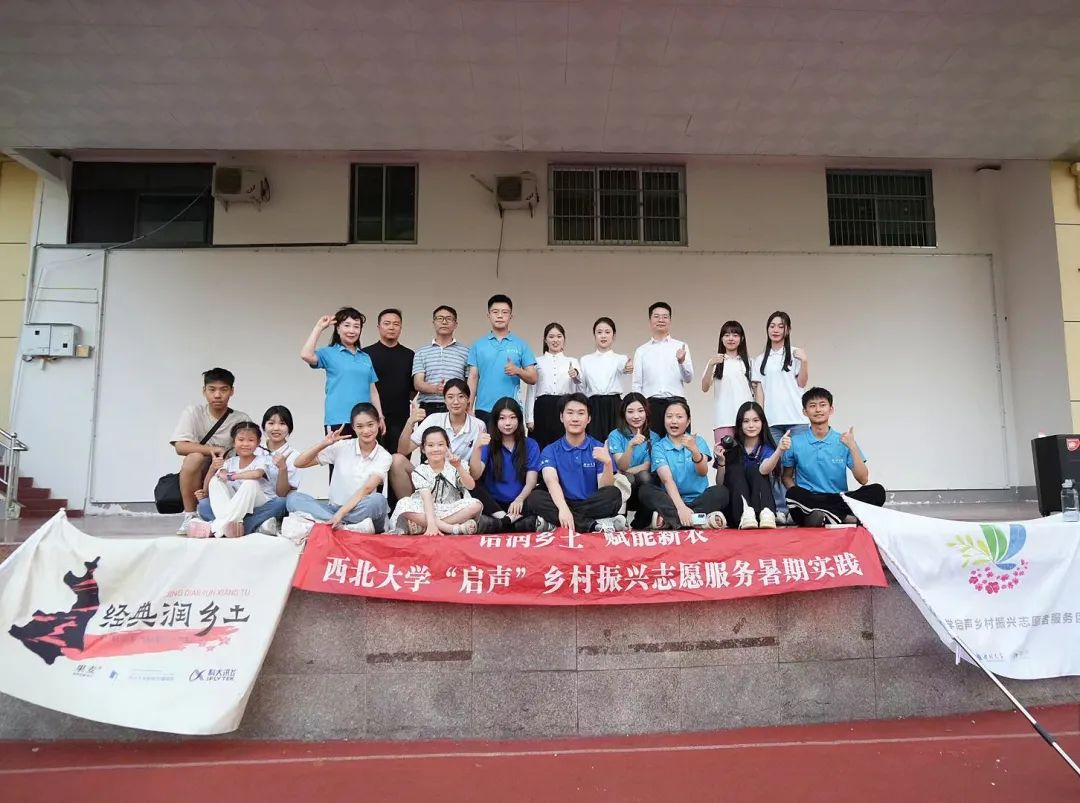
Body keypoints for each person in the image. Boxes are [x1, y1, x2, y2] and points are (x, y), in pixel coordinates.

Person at [781, 387, 886, 527]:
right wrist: (800, 495)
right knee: (793, 494)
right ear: (805, 412)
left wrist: (852, 446)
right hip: (809, 498)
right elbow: (786, 477)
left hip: (839, 498)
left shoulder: (844, 440)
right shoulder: (795, 442)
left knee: (877, 491)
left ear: (831, 409)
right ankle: (841, 517)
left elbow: (863, 479)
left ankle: (829, 515)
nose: (818, 410)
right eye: (812, 406)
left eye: (822, 405)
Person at [522, 393, 624, 533]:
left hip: (590, 503)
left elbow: (604, 488)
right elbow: (551, 481)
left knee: (614, 494)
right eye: (570, 413)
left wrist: (607, 463)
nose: (575, 418)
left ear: (588, 419)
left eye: (581, 413)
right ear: (561, 417)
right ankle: (592, 524)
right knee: (535, 498)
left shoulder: (598, 447)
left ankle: (558, 522)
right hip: (562, 501)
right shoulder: (550, 450)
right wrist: (563, 508)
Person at [285, 403, 391, 533]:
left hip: (361, 511)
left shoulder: (384, 456)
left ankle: (331, 524)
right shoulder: (342, 446)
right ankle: (345, 528)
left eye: (370, 425)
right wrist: (324, 443)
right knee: (294, 499)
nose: (366, 431)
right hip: (333, 509)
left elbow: (367, 489)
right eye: (360, 426)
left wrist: (340, 515)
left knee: (378, 501)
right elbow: (299, 463)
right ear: (353, 427)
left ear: (378, 423)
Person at [170, 367, 251, 535]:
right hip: (198, 475)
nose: (217, 395)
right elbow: (180, 446)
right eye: (212, 389)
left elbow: (251, 450)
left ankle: (220, 519)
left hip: (226, 474)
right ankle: (191, 515)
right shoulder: (194, 413)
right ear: (204, 391)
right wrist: (212, 449)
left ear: (232, 391)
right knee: (194, 457)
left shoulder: (241, 419)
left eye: (223, 390)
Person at [752, 311, 809, 525]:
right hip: (773, 422)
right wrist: (759, 419)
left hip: (797, 419)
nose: (776, 330)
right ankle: (781, 509)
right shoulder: (760, 360)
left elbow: (802, 383)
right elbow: (760, 393)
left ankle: (802, 507)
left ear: (788, 330)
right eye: (772, 326)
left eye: (780, 326)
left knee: (799, 466)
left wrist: (805, 361)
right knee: (777, 466)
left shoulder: (795, 354)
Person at [390, 379, 485, 500]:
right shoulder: (433, 419)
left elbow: (476, 474)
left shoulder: (479, 426)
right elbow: (403, 451)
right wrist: (410, 422)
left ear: (468, 400)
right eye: (450, 397)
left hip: (458, 481)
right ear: (444, 400)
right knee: (396, 460)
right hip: (429, 476)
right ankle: (409, 507)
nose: (456, 401)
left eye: (461, 396)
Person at [639, 400, 728, 529]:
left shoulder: (698, 441)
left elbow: (702, 472)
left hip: (698, 499)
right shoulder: (658, 447)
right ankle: (700, 520)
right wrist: (681, 507)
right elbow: (667, 480)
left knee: (722, 492)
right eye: (669, 416)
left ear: (688, 421)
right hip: (671, 500)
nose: (673, 421)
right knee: (645, 491)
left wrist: (694, 450)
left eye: (679, 417)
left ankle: (671, 520)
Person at [300, 307, 384, 443]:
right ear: (338, 329)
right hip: (338, 420)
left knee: (366, 457)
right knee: (338, 456)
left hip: (365, 421)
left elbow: (373, 391)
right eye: (347, 325)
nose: (352, 330)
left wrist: (379, 417)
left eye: (356, 326)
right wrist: (319, 328)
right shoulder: (328, 352)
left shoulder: (365, 357)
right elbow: (306, 355)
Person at [189, 422, 285, 538]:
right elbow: (211, 487)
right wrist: (212, 468)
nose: (245, 444)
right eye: (241, 440)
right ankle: (235, 527)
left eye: (251, 440)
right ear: (233, 442)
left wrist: (232, 476)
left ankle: (215, 527)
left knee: (253, 484)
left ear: (258, 443)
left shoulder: (263, 459)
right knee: (212, 487)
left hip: (260, 505)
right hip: (236, 505)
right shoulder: (230, 462)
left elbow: (257, 474)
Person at [388, 427, 483, 535]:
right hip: (426, 509)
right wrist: (431, 521)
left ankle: (425, 526)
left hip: (450, 509)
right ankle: (450, 528)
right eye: (430, 445)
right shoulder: (420, 470)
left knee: (476, 504)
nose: (436, 449)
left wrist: (458, 467)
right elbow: (426, 498)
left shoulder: (457, 464)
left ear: (447, 446)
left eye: (440, 444)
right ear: (423, 449)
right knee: (404, 503)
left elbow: (471, 486)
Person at [469, 396, 540, 532]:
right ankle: (506, 520)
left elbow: (531, 480)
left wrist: (519, 499)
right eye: (502, 418)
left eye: (512, 417)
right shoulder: (488, 443)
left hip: (519, 502)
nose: (508, 423)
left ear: (519, 419)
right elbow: (475, 475)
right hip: (494, 504)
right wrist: (477, 448)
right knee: (471, 484)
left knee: (539, 494)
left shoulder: (530, 444)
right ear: (495, 421)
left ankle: (500, 523)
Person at [467, 294, 538, 423]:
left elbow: (533, 378)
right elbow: (473, 377)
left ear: (511, 316)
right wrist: (469, 408)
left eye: (504, 312)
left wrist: (517, 370)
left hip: (511, 410)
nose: (500, 316)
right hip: (483, 409)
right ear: (488, 315)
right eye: (495, 312)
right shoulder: (478, 345)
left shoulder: (521, 344)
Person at [631, 302, 693, 437]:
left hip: (677, 403)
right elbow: (637, 383)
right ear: (650, 320)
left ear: (670, 320)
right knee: (652, 443)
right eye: (656, 316)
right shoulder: (641, 351)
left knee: (681, 444)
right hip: (651, 405)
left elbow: (688, 378)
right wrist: (639, 408)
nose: (661, 320)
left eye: (665, 316)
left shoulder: (681, 346)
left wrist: (682, 362)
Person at [717, 401, 779, 530]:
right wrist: (721, 462)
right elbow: (720, 483)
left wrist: (780, 450)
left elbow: (766, 470)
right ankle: (746, 512)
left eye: (756, 420)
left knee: (758, 469)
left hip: (762, 512)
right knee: (735, 469)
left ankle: (766, 512)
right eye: (746, 421)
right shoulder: (730, 447)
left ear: (762, 423)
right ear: (740, 424)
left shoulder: (767, 448)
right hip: (738, 512)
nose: (751, 425)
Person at [363, 308, 415, 455]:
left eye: (396, 324)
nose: (391, 327)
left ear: (401, 328)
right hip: (371, 416)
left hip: (401, 418)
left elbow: (413, 388)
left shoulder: (409, 355)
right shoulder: (365, 354)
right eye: (387, 323)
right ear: (378, 327)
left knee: (399, 459)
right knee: (371, 460)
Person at [606, 392, 660, 529]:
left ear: (646, 412)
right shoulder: (615, 435)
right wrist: (630, 445)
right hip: (622, 488)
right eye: (630, 411)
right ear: (623, 413)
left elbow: (647, 466)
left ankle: (641, 522)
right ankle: (620, 521)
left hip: (643, 489)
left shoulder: (654, 437)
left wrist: (624, 471)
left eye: (640, 411)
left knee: (645, 476)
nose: (636, 416)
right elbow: (621, 464)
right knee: (625, 479)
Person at [525, 322, 583, 450]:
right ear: (545, 340)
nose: (555, 340)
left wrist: (575, 375)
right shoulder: (537, 361)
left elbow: (580, 385)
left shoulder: (572, 361)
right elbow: (531, 390)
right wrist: (529, 418)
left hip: (565, 407)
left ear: (564, 339)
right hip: (542, 407)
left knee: (565, 445)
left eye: (559, 336)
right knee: (541, 446)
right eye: (551, 337)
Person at [701, 321, 755, 442]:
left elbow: (756, 390)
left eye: (735, 335)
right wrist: (711, 364)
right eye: (726, 335)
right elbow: (704, 387)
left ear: (741, 339)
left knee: (748, 453)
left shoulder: (749, 362)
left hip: (746, 420)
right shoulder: (716, 362)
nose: (731, 338)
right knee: (723, 453)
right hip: (723, 420)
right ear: (721, 339)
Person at [580, 316, 632, 441]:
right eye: (599, 332)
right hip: (593, 404)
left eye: (607, 332)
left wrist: (627, 367)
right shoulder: (585, 360)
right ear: (594, 335)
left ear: (614, 335)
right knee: (594, 441)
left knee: (616, 441)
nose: (603, 336)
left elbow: (624, 368)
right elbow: (581, 386)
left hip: (614, 404)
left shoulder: (621, 359)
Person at [412, 304, 470, 416]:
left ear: (455, 324)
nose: (444, 322)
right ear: (433, 322)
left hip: (456, 406)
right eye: (440, 318)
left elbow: (469, 383)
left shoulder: (466, 352)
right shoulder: (421, 351)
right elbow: (418, 383)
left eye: (449, 319)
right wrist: (436, 389)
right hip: (428, 407)